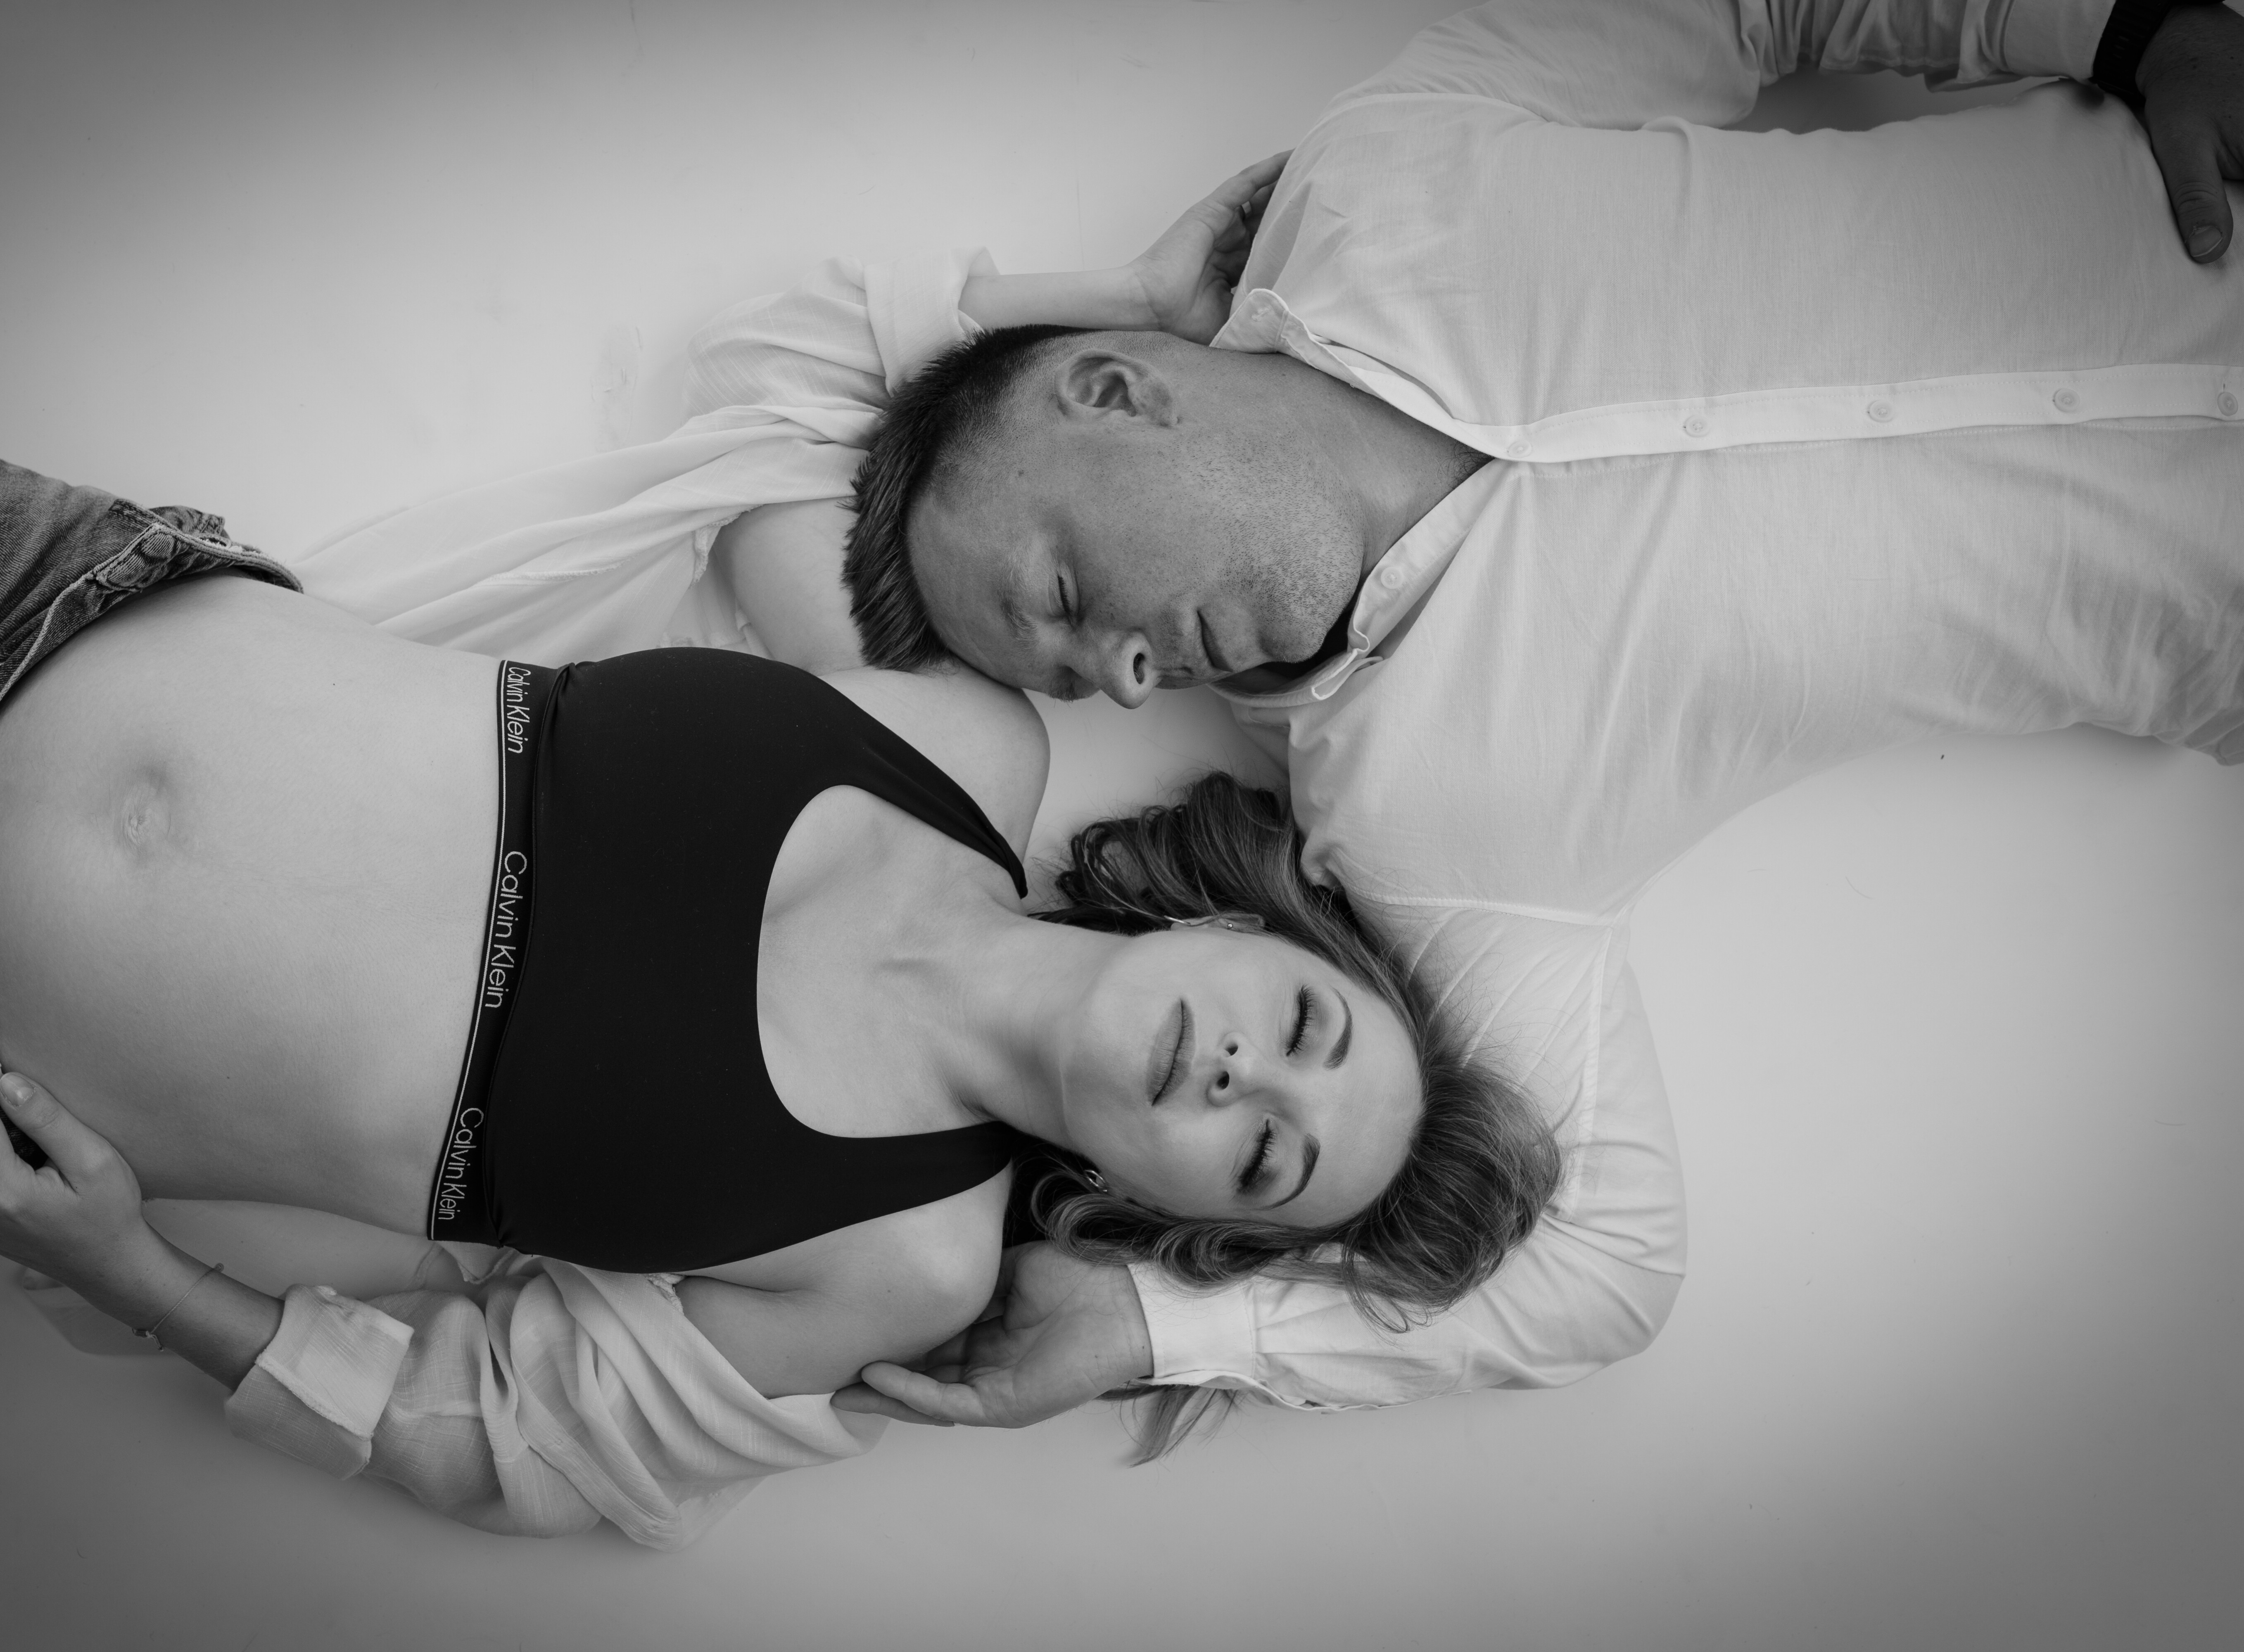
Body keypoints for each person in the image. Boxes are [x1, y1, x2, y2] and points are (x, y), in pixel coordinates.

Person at [0, 384, 1555, 1543]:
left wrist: (115, 1263)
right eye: (1304, 1025)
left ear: (1177, 1210)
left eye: (1267, 1157)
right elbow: (820, 417)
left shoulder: (903, 1261)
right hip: (3, 580)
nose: (1248, 1079)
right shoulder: (969, 738)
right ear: (1239, 927)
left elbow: (494, 1437)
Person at [811, 0, 2244, 1430]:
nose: (1128, 679)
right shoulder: (1418, 817)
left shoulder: (1386, 174)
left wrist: (2135, 24)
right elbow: (1604, 1270)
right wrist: (1164, 1323)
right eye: (1078, 682)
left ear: (1113, 387)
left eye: (1068, 599)